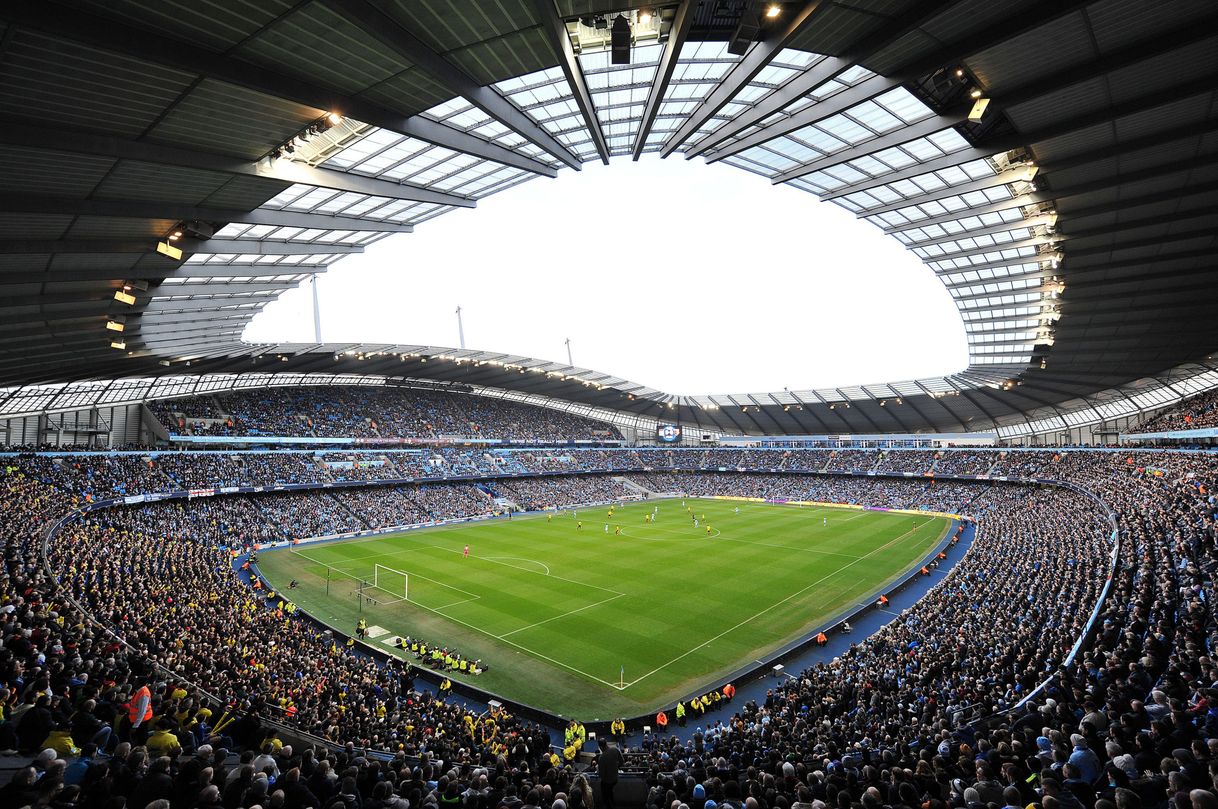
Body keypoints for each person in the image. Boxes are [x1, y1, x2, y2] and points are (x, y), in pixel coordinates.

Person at [596, 738, 623, 809]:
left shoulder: (601, 757)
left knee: (605, 797)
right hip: (615, 778)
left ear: (601, 747)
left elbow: (601, 775)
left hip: (607, 781)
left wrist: (598, 770)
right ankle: (613, 803)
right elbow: (622, 762)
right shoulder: (615, 750)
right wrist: (615, 768)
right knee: (610, 791)